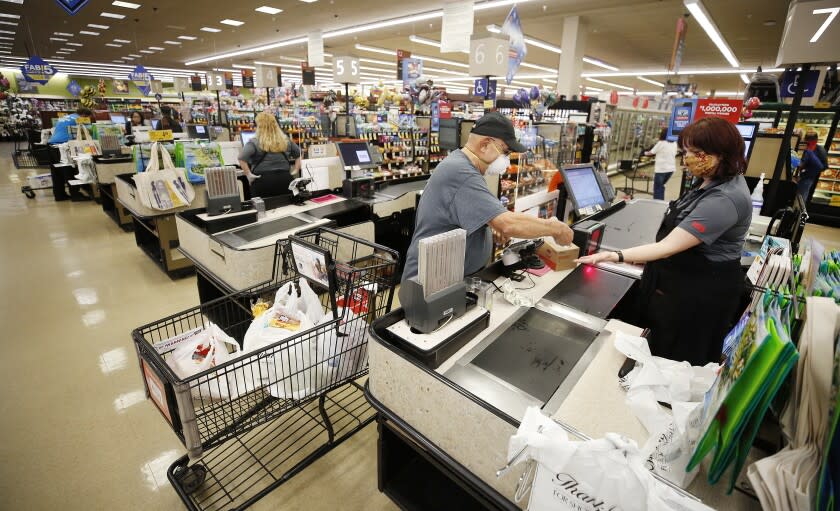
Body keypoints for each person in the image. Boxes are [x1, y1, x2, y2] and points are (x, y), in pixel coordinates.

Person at [577, 117, 752, 365]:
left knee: (674, 361)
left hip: (697, 295)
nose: (687, 157)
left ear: (719, 154)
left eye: (696, 152)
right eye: (686, 150)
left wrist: (614, 255)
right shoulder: (711, 180)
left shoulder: (725, 198)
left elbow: (667, 247)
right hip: (679, 281)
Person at [402, 112, 573, 283]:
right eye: (505, 151)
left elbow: (457, 218)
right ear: (484, 145)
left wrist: (487, 229)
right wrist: (555, 228)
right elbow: (508, 224)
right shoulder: (462, 173)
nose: (506, 159)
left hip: (449, 277)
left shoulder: (463, 165)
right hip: (431, 282)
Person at [238, 111, 301, 198]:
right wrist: (296, 170)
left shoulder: (254, 142)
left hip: (263, 182)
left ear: (259, 126)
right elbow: (298, 154)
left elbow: (241, 158)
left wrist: (248, 174)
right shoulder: (285, 140)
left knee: (264, 209)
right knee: (287, 208)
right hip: (285, 180)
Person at [645, 128, 678, 200]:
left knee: (657, 189)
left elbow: (651, 152)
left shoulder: (661, 143)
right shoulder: (675, 143)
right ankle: (661, 202)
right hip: (671, 169)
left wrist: (644, 153)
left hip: (661, 170)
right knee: (662, 186)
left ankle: (657, 205)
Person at [795, 132, 828, 203]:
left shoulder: (820, 150)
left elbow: (823, 166)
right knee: (796, 197)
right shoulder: (803, 147)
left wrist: (806, 172)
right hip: (798, 176)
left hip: (807, 178)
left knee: (801, 198)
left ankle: (798, 212)